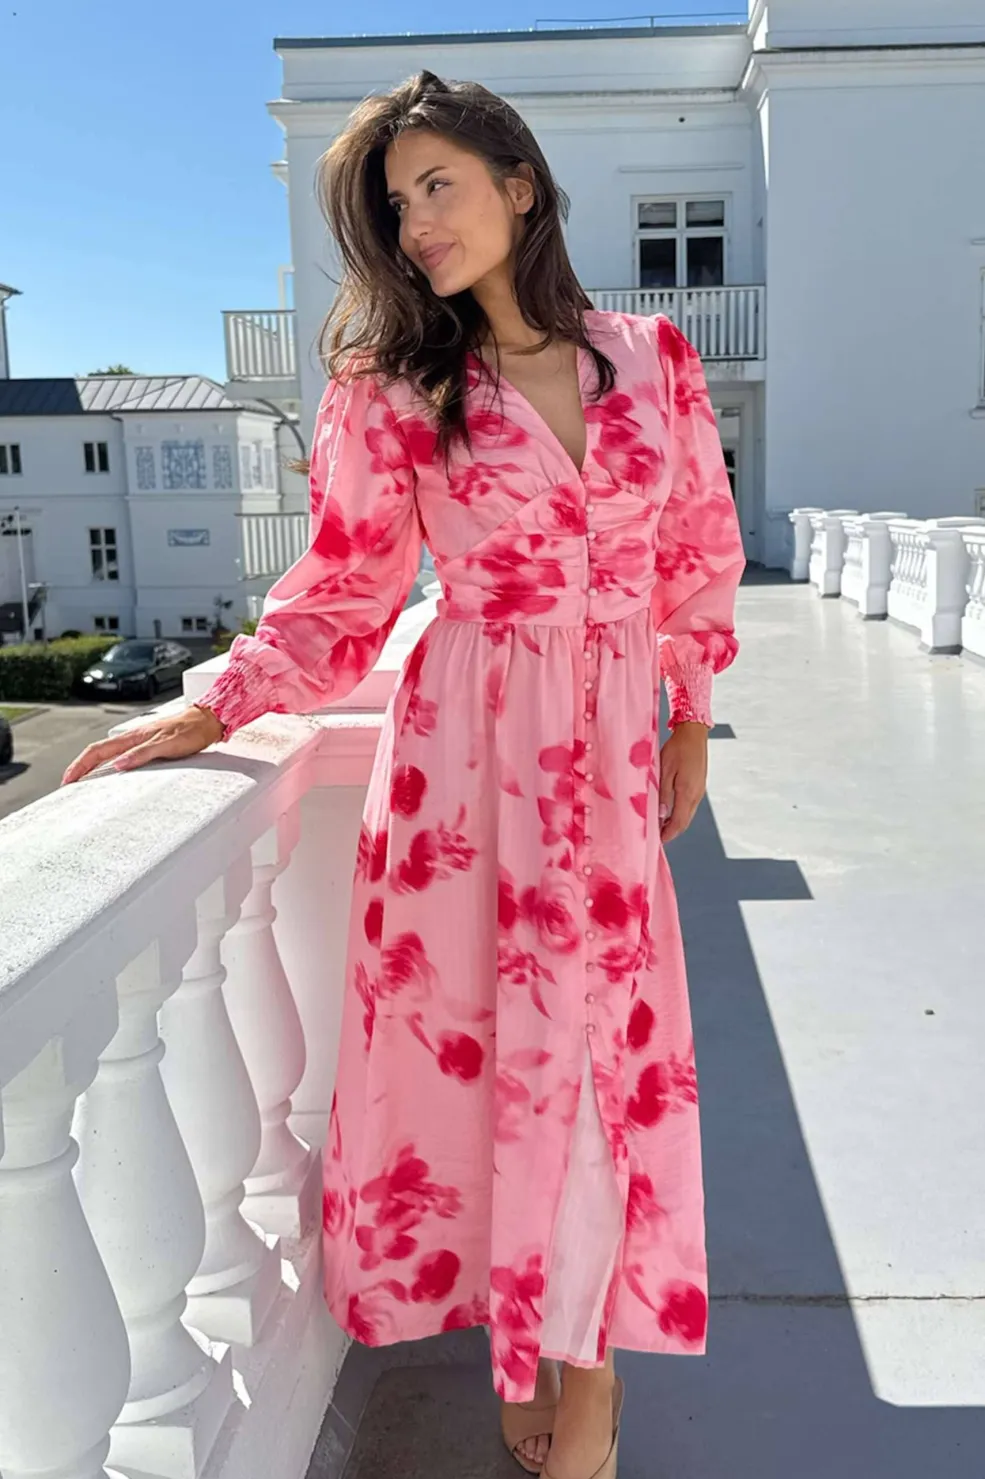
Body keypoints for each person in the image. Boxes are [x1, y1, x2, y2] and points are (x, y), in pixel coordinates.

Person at [63, 70, 745, 1479]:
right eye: (395, 202)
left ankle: (591, 1373)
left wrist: (689, 715)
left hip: (608, 768)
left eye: (440, 184)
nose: (417, 221)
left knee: (600, 1058)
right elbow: (344, 593)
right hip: (464, 768)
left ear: (521, 186)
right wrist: (217, 702)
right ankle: (532, 1342)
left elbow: (697, 552)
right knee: (488, 1065)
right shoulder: (391, 390)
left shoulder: (654, 359)